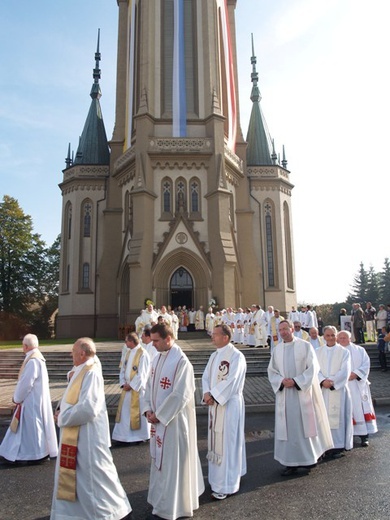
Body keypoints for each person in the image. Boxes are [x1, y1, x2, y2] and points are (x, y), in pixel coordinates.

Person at [51, 337, 131, 520]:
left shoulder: (92, 372)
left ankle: (113, 512)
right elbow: (72, 389)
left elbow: (88, 408)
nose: (70, 354)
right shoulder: (83, 368)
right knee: (81, 479)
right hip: (77, 437)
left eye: (73, 351)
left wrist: (62, 417)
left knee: (97, 478)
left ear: (82, 353)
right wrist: (60, 409)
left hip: (88, 437)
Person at [142, 323, 204, 519]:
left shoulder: (181, 362)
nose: (152, 345)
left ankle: (175, 507)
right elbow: (148, 386)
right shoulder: (157, 358)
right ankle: (160, 502)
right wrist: (147, 410)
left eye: (156, 341)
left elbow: (180, 395)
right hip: (158, 420)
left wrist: (159, 415)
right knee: (160, 463)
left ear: (168, 338)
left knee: (172, 463)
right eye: (151, 341)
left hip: (174, 423)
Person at [267, 321, 333, 476]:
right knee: (288, 428)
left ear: (292, 329)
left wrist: (296, 381)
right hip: (285, 394)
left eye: (285, 329)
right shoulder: (277, 350)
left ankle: (309, 459)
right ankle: (290, 462)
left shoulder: (305, 346)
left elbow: (314, 368)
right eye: (280, 330)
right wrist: (281, 381)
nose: (283, 332)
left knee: (305, 426)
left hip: (302, 393)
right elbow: (271, 371)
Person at [202, 324, 247, 500]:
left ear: (225, 337)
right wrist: (206, 393)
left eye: (215, 335)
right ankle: (216, 480)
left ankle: (227, 484)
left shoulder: (236, 356)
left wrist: (214, 395)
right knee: (216, 442)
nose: (212, 337)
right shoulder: (214, 356)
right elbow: (206, 377)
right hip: (215, 404)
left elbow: (233, 380)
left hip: (229, 405)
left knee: (228, 442)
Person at [0, 334, 58, 464]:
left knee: (30, 429)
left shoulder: (32, 361)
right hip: (36, 399)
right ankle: (25, 452)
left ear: (25, 346)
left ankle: (34, 454)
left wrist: (17, 398)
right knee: (29, 429)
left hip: (30, 401)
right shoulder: (37, 358)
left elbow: (26, 383)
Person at [316, 326, 353, 458]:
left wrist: (332, 382)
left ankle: (338, 445)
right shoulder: (317, 351)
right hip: (323, 391)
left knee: (339, 417)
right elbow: (314, 370)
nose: (330, 338)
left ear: (336, 336)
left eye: (333, 335)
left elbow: (345, 370)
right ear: (323, 336)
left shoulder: (344, 352)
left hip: (338, 389)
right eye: (328, 335)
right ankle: (325, 444)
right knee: (323, 417)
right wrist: (322, 381)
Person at [337, 331, 378, 447]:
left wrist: (356, 374)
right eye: (341, 338)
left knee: (360, 410)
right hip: (342, 385)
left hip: (357, 384)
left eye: (345, 337)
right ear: (337, 339)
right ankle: (345, 438)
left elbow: (366, 364)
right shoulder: (336, 351)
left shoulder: (359, 350)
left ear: (350, 338)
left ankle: (364, 436)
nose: (343, 339)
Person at [112, 333, 151, 444]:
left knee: (137, 412)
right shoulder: (128, 353)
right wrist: (123, 383)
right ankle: (124, 436)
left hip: (137, 390)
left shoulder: (143, 354)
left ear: (132, 341)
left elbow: (142, 374)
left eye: (126, 341)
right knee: (124, 413)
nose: (125, 343)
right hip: (127, 388)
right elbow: (123, 369)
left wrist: (132, 385)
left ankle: (139, 436)